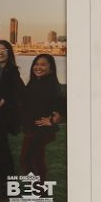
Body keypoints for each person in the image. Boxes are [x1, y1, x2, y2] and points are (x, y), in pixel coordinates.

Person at [19, 53, 65, 181]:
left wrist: (53, 120)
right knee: (34, 160)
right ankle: (38, 191)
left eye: (43, 65)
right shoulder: (34, 83)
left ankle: (38, 191)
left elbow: (64, 106)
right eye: (36, 64)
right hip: (32, 129)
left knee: (27, 161)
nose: (38, 67)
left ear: (51, 69)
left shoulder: (52, 86)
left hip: (40, 130)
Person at [0, 40, 23, 201]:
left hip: (3, 116)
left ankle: (5, 183)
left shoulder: (12, 71)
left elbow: (19, 92)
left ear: (9, 53)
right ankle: (1, 182)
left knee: (1, 150)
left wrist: (4, 101)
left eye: (3, 49)